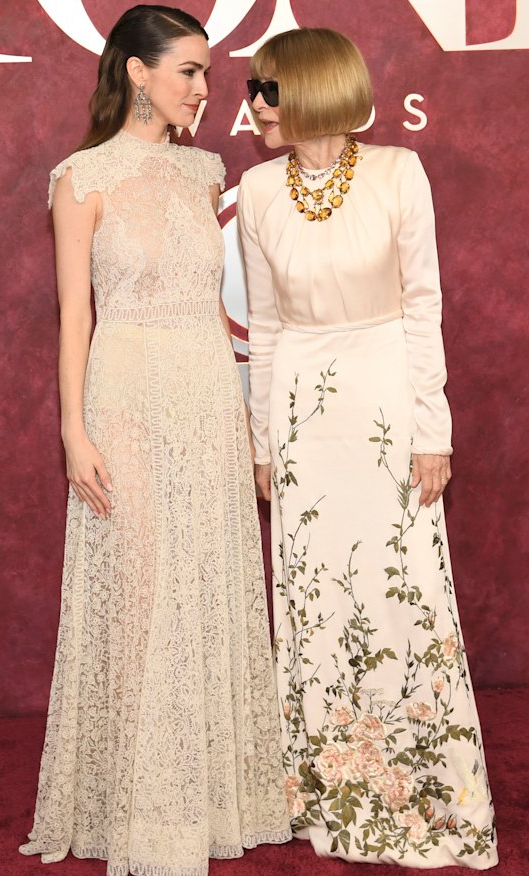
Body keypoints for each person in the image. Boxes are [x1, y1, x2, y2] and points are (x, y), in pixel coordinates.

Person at [19, 6, 291, 874]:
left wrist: (252, 412)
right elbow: (74, 316)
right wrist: (73, 430)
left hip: (207, 390)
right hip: (125, 392)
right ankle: (138, 803)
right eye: (188, 71)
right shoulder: (81, 177)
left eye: (207, 73)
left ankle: (208, 794)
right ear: (136, 72)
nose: (207, 90)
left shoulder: (207, 171)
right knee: (139, 594)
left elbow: (212, 303)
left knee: (207, 582)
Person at [237, 27, 497, 869]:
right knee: (315, 599)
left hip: (387, 402)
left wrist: (434, 430)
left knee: (402, 589)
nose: (251, 103)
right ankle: (326, 789)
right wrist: (264, 442)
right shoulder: (257, 189)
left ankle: (425, 788)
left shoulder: (397, 173)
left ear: (307, 89)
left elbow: (424, 306)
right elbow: (268, 328)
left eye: (264, 87)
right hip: (304, 419)